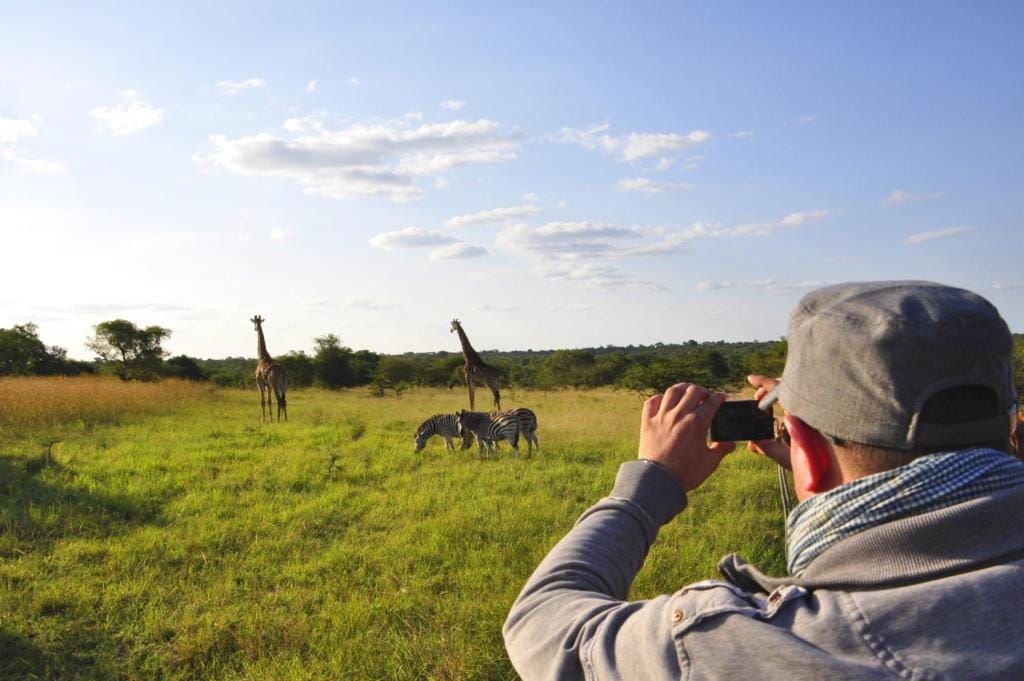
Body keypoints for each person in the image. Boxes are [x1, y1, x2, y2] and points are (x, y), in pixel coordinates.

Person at [503, 281, 1024, 680]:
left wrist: (649, 483)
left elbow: (544, 628)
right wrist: (818, 456)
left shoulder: (745, 647)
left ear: (807, 452)